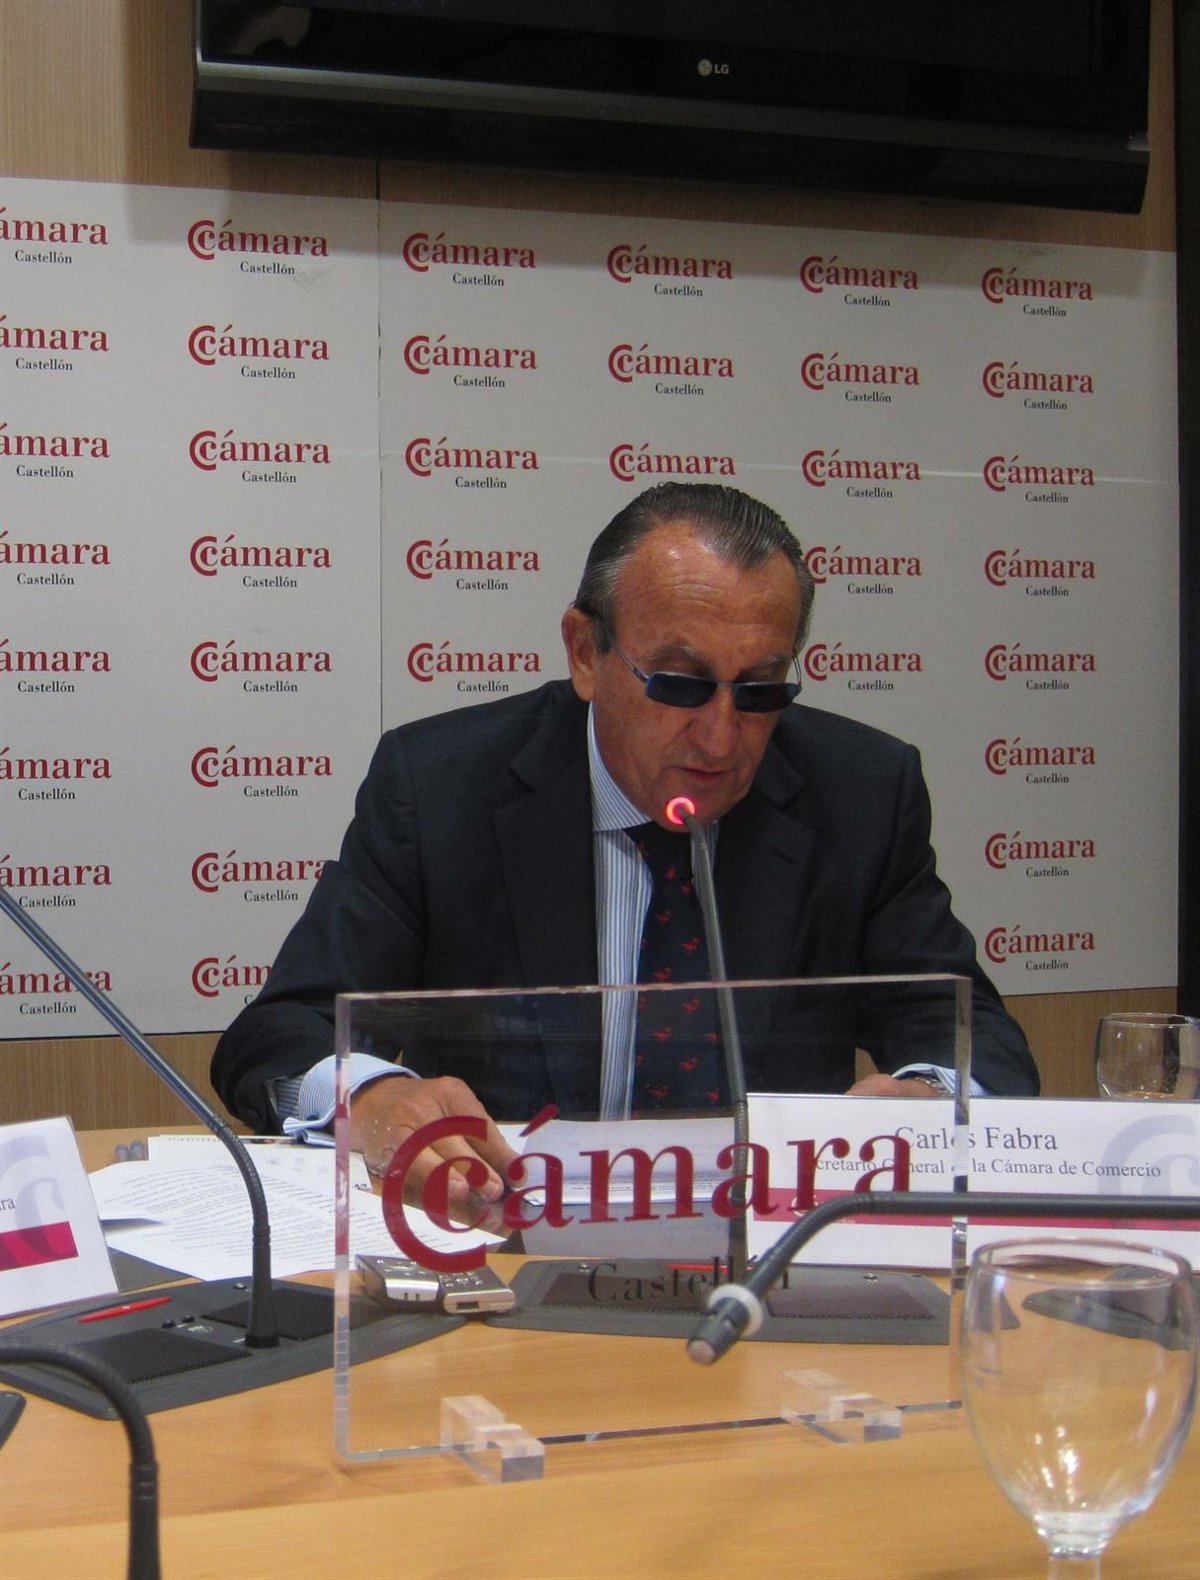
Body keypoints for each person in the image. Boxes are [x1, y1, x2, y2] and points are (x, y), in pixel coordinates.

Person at [212, 483, 1038, 1224]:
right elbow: (278, 1034)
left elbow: (977, 1039)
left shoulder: (860, 792)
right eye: (679, 683)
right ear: (585, 652)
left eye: (760, 690)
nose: (721, 739)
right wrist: (372, 1098)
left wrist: (930, 1099)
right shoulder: (441, 787)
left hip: (773, 1256)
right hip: (508, 1245)